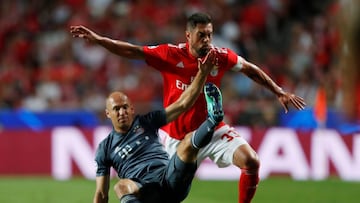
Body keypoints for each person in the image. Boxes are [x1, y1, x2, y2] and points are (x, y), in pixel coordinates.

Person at [71, 12, 306, 203]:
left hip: (212, 129)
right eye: (201, 35)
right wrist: (100, 40)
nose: (207, 40)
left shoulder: (219, 56)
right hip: (175, 139)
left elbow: (250, 69)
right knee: (165, 196)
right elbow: (132, 50)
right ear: (188, 35)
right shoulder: (170, 55)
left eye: (210, 35)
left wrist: (279, 91)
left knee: (252, 161)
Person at [93, 50, 224, 203]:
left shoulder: (146, 122)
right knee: (121, 186)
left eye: (125, 107)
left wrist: (202, 73)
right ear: (108, 114)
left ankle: (212, 120)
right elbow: (101, 193)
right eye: (116, 109)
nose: (122, 112)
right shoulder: (105, 148)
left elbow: (182, 104)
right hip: (144, 191)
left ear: (132, 109)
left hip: (169, 179)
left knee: (188, 142)